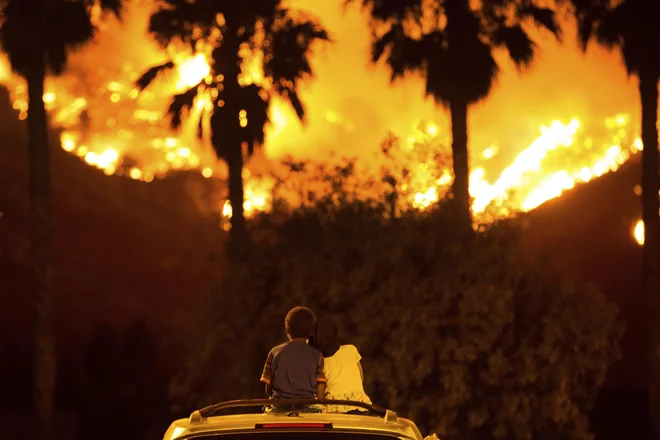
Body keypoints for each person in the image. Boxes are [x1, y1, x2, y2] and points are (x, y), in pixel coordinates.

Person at [260, 306, 326, 412]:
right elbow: (320, 386)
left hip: (278, 406)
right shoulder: (317, 354)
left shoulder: (275, 352)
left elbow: (268, 388)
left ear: (287, 330)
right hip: (307, 407)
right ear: (310, 332)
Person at [309, 317, 372, 413]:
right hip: (360, 405)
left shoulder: (319, 361)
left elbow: (319, 391)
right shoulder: (350, 350)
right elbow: (361, 377)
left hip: (335, 408)